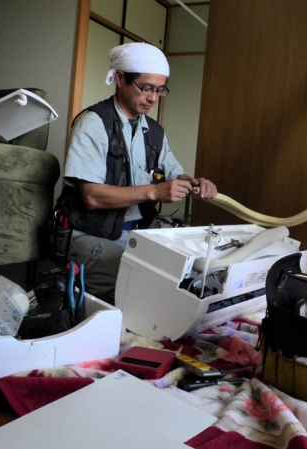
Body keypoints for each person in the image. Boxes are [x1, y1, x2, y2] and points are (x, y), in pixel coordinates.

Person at [61, 42, 217, 304]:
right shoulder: (93, 123)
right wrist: (155, 191)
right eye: (145, 88)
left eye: (159, 90)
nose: (153, 98)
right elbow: (92, 197)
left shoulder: (154, 131)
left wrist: (193, 182)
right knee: (153, 286)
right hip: (92, 234)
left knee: (195, 276)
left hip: (139, 233)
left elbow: (174, 173)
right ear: (120, 78)